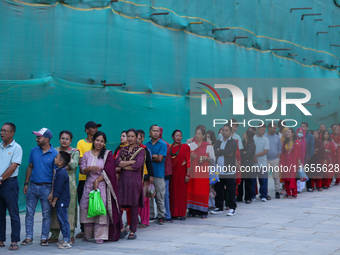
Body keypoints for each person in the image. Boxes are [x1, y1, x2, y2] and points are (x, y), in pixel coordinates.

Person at [80, 131, 122, 243]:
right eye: (97, 140)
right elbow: (82, 170)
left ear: (104, 143)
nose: (99, 143)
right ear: (93, 141)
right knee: (87, 207)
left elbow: (109, 171)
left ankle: (100, 236)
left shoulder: (107, 154)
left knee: (100, 208)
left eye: (102, 141)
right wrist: (89, 169)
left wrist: (97, 180)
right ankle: (88, 235)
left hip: (102, 185)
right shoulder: (87, 154)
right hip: (88, 185)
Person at [21, 128, 58, 246]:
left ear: (46, 139)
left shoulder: (55, 154)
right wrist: (26, 184)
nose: (36, 139)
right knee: (29, 212)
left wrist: (52, 192)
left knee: (46, 214)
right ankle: (28, 237)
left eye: (39, 137)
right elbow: (30, 166)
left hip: (46, 188)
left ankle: (44, 238)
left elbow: (54, 174)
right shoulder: (33, 150)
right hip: (32, 186)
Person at [48, 131, 80, 244]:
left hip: (69, 184)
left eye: (67, 139)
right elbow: (53, 165)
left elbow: (73, 165)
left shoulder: (75, 151)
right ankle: (54, 234)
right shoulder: (54, 150)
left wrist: (66, 159)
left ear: (71, 141)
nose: (64, 141)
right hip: (55, 181)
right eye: (62, 138)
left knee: (69, 209)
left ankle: (70, 234)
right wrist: (63, 163)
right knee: (54, 209)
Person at [115, 129, 145, 240]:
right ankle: (121, 228)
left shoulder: (141, 151)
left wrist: (123, 166)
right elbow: (117, 162)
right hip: (123, 181)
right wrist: (130, 163)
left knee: (134, 206)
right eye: (129, 136)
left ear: (137, 137)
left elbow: (137, 166)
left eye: (133, 136)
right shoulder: (123, 150)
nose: (130, 138)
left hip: (134, 182)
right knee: (118, 205)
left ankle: (132, 231)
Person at [76, 121, 102, 239]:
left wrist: (88, 163)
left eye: (97, 127)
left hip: (98, 180)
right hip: (83, 179)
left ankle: (97, 229)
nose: (95, 129)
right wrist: (91, 165)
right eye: (93, 128)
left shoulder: (99, 143)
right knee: (84, 205)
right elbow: (80, 161)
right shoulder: (81, 143)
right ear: (87, 130)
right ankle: (83, 229)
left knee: (97, 205)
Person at [0, 123, 23, 251]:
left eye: (5, 131)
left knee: (13, 213)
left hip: (9, 183)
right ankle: (1, 239)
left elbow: (13, 166)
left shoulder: (16, 148)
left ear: (12, 133)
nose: (2, 133)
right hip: (0, 183)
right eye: (1, 130)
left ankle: (14, 240)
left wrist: (1, 178)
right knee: (0, 213)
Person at [188, 127, 215, 218]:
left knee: (203, 190)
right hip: (192, 172)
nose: (197, 135)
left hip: (203, 173)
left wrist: (207, 159)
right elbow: (186, 159)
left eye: (199, 134)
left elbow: (213, 160)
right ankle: (192, 211)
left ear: (203, 136)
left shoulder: (208, 146)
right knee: (192, 189)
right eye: (196, 133)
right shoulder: (190, 145)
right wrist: (190, 158)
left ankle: (203, 211)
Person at [146, 125, 167, 225]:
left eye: (157, 131)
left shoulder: (163, 144)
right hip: (149, 174)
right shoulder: (146, 145)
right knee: (149, 195)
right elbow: (146, 159)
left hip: (159, 174)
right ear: (150, 132)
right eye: (154, 131)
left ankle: (161, 216)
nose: (156, 133)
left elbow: (160, 159)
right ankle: (150, 216)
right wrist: (154, 156)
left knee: (160, 196)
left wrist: (150, 157)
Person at [51, 151, 72, 249]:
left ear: (60, 162)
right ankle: (64, 239)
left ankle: (67, 241)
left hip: (62, 201)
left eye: (56, 158)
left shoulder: (61, 173)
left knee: (63, 221)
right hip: (61, 201)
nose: (54, 159)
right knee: (61, 220)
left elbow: (58, 188)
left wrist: (54, 200)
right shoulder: (60, 171)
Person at [169, 130, 190, 220]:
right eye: (176, 136)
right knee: (172, 192)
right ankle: (173, 213)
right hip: (171, 173)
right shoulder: (169, 147)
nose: (178, 137)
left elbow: (188, 161)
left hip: (182, 172)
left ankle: (182, 213)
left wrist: (188, 174)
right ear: (172, 137)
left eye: (180, 136)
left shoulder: (185, 147)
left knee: (182, 193)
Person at [136, 130, 154, 228]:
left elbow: (149, 163)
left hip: (144, 178)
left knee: (144, 200)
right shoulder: (130, 149)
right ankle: (134, 220)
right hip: (133, 179)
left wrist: (151, 176)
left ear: (142, 139)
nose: (137, 141)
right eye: (136, 138)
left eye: (139, 139)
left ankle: (144, 221)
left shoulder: (145, 149)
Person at [280, 128, 301, 198]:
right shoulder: (284, 142)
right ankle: (288, 193)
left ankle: (294, 193)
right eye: (286, 132)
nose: (287, 133)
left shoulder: (297, 142)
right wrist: (281, 163)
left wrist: (299, 163)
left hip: (293, 162)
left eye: (289, 132)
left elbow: (298, 154)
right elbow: (282, 153)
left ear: (292, 134)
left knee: (292, 177)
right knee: (286, 177)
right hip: (285, 162)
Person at [252, 124, 270, 202]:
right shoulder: (253, 138)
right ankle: (252, 196)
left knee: (263, 181)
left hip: (262, 164)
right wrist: (253, 157)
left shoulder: (266, 140)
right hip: (253, 164)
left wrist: (256, 155)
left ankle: (263, 196)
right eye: (261, 130)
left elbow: (265, 151)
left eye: (264, 130)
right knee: (252, 181)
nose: (263, 132)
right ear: (257, 129)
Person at [159, 127, 173, 223]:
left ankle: (167, 215)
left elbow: (162, 158)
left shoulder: (165, 144)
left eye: (158, 131)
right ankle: (161, 214)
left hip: (165, 172)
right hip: (158, 172)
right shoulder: (150, 144)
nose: (157, 133)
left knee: (165, 195)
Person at [264, 122, 282, 199]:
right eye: (273, 128)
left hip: (275, 159)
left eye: (275, 128)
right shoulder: (264, 136)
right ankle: (266, 193)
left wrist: (278, 158)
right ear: (269, 128)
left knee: (276, 177)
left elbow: (279, 149)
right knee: (265, 177)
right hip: (265, 160)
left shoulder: (277, 137)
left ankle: (277, 191)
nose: (275, 130)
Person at [238, 129, 255, 204]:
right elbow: (239, 152)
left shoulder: (252, 144)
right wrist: (243, 153)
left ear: (248, 135)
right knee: (240, 182)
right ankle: (239, 197)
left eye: (245, 133)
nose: (243, 134)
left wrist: (243, 153)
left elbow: (248, 155)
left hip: (248, 165)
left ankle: (248, 198)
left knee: (248, 182)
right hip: (241, 165)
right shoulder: (242, 142)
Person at [301, 122, 315, 191]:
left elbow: (312, 146)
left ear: (307, 128)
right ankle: (299, 187)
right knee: (300, 171)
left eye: (304, 126)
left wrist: (310, 155)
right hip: (299, 156)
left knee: (308, 171)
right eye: (301, 126)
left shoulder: (310, 136)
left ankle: (309, 187)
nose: (302, 127)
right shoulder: (299, 135)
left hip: (307, 157)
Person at [296, 127, 307, 193]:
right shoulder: (295, 140)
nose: (300, 134)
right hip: (295, 159)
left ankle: (300, 188)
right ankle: (297, 187)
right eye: (299, 132)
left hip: (301, 160)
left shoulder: (303, 141)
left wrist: (302, 160)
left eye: (301, 132)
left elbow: (304, 151)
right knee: (297, 174)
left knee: (301, 173)